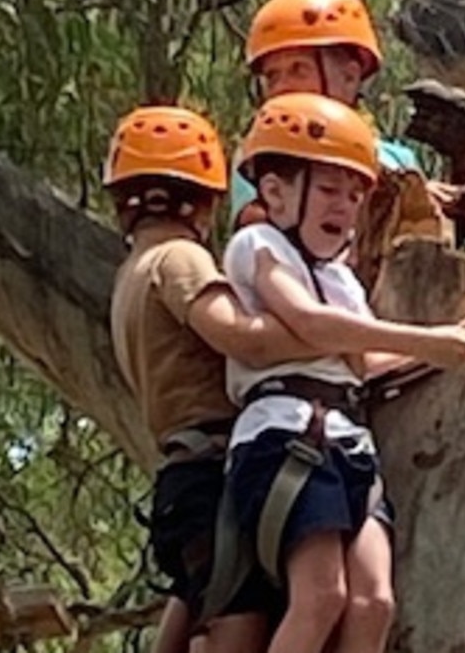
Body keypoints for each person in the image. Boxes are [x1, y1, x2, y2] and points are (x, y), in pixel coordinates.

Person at [222, 92, 465, 653]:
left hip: (347, 444)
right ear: (276, 192)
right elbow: (311, 324)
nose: (345, 206)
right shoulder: (257, 245)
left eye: (355, 194)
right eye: (331, 190)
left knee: (374, 602)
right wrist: (428, 340)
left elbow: (362, 365)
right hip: (287, 434)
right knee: (321, 597)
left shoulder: (342, 280)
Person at [104, 105, 333, 653]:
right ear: (200, 201)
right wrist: (338, 338)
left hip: (185, 476)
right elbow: (242, 337)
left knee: (204, 599)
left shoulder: (129, 276)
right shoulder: (178, 258)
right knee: (239, 623)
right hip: (210, 470)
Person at [229, 0, 459, 229]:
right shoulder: (260, 154)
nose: (283, 86)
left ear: (349, 78)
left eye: (298, 70)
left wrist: (421, 206)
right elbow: (257, 226)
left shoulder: (397, 161)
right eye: (273, 76)